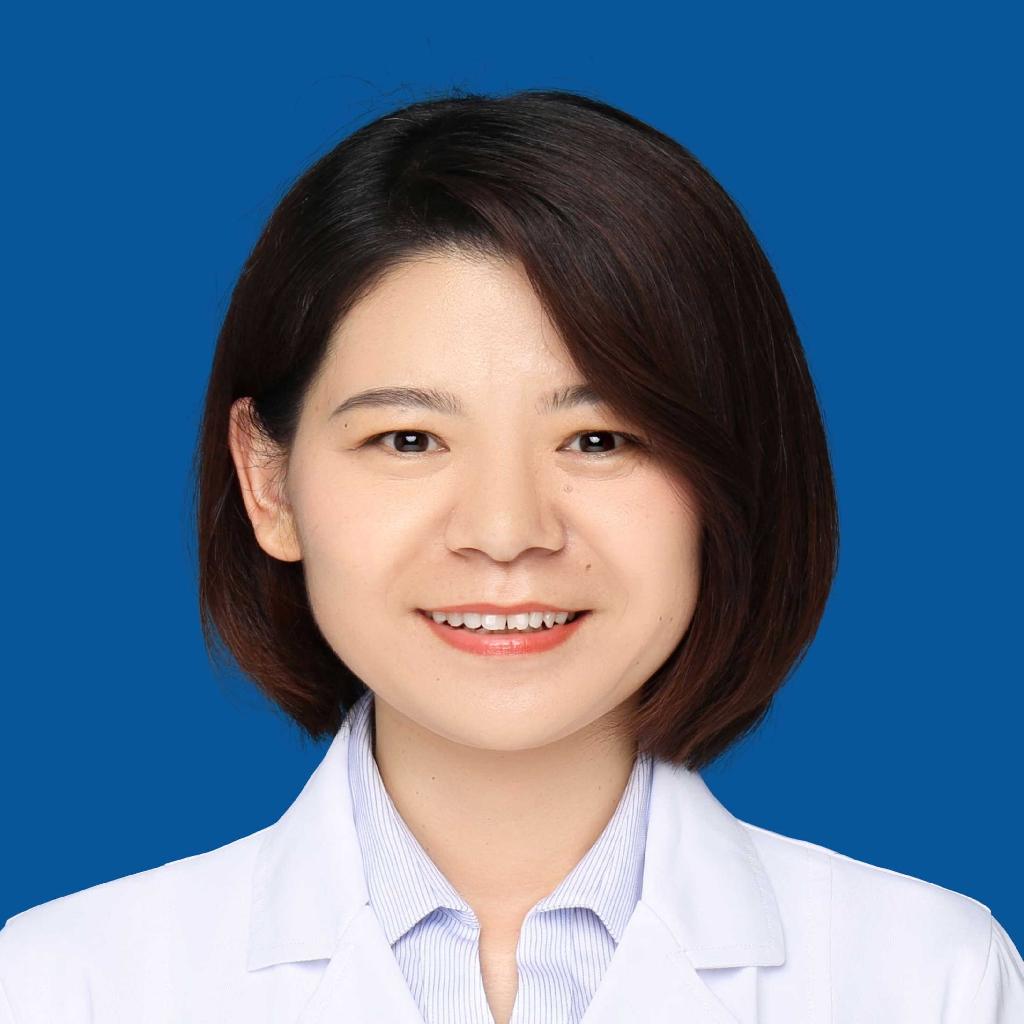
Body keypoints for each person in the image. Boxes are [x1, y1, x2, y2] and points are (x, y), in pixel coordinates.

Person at [1, 87, 1020, 1024]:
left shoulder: (930, 981)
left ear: (729, 480)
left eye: (599, 439)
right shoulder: (66, 987)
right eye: (408, 439)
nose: (504, 530)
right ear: (269, 482)